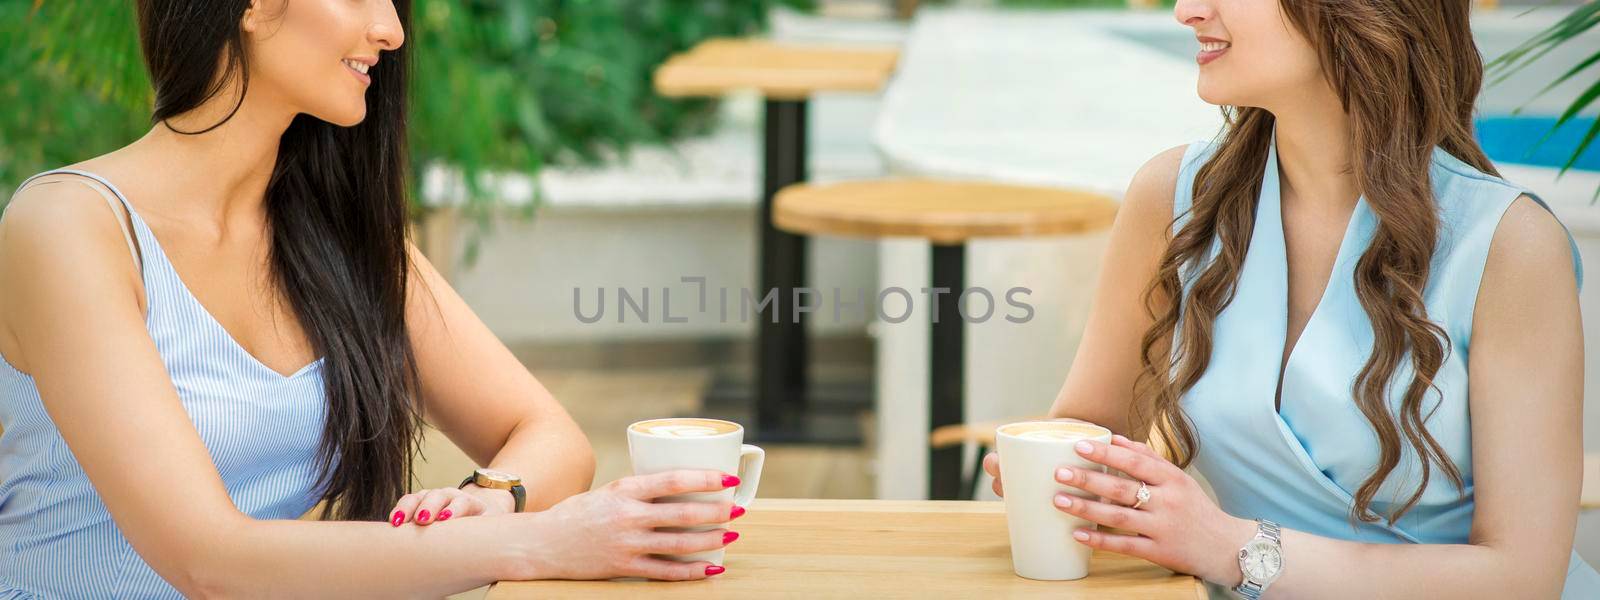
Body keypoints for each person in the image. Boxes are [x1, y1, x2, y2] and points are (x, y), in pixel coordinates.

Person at [0, 2, 739, 597]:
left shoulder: (338, 237)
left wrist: (495, 497)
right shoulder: (68, 227)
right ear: (251, 7)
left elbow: (549, 436)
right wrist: (541, 540)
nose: (390, 28)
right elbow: (207, 560)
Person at [982, 0, 1600, 597]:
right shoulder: (1174, 202)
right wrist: (1061, 467)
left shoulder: (1508, 245)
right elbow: (1094, 427)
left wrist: (1232, 548)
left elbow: (1523, 577)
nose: (1187, 10)